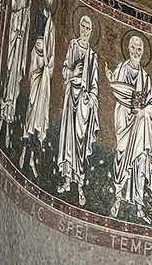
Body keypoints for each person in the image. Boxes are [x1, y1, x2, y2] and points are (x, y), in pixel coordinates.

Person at [106, 35, 152, 221]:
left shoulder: (145, 77)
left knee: (139, 162)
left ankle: (139, 207)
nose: (136, 52)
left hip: (140, 125)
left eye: (140, 49)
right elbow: (119, 92)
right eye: (134, 48)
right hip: (124, 122)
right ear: (128, 49)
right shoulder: (121, 69)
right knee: (122, 157)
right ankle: (118, 200)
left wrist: (143, 113)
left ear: (143, 52)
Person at [57, 15, 100, 206]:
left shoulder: (92, 56)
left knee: (80, 144)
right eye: (82, 26)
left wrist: (91, 98)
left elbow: (95, 84)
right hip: (70, 98)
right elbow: (65, 68)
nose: (84, 30)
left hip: (83, 104)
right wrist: (72, 74)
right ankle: (67, 181)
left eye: (88, 27)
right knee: (68, 140)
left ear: (91, 32)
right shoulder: (73, 46)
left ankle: (80, 184)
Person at [19, 0, 56, 178]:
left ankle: (32, 155)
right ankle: (24, 151)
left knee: (40, 114)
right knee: (31, 108)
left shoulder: (52, 24)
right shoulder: (40, 16)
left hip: (45, 78)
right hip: (36, 69)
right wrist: (41, 55)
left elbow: (52, 54)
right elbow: (37, 41)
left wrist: (48, 62)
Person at [0, 0, 29, 147]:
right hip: (13, 39)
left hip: (19, 43)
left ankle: (8, 126)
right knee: (10, 81)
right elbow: (14, 5)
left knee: (14, 82)